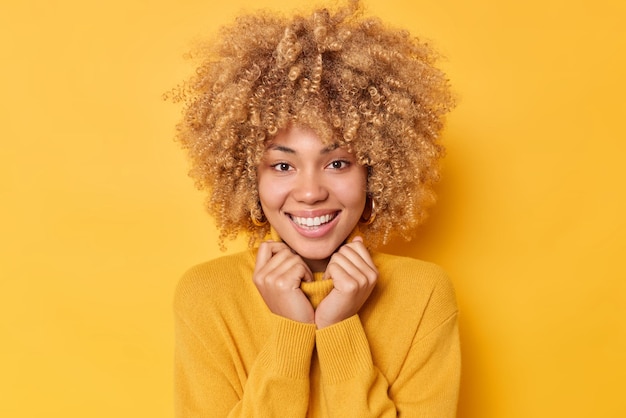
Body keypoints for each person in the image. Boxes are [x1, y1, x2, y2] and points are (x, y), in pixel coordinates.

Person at [169, 1, 459, 416]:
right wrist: (293, 331)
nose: (309, 193)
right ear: (250, 177)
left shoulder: (423, 294)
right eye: (283, 165)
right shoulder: (207, 295)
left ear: (375, 172)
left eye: (338, 163)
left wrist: (337, 328)